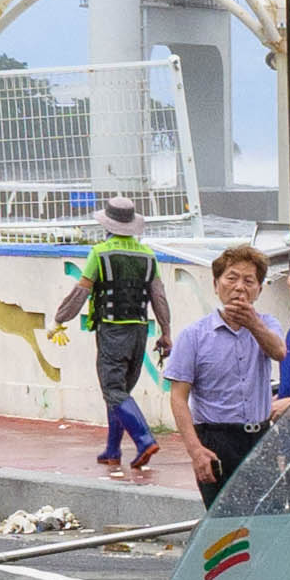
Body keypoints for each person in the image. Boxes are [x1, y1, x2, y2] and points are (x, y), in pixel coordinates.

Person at [162, 243, 290, 494]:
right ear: (216, 284)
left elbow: (279, 352)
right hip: (215, 438)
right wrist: (195, 450)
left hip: (259, 438)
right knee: (223, 527)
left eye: (249, 281)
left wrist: (252, 324)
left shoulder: (267, 325)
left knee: (265, 521)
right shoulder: (193, 336)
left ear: (259, 290)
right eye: (231, 278)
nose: (239, 287)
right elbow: (178, 398)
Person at [71, 203, 170, 476]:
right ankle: (112, 450)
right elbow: (158, 297)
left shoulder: (100, 253)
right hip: (140, 331)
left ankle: (144, 440)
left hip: (112, 331)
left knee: (113, 390)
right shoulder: (148, 256)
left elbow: (81, 291)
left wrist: (60, 318)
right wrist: (166, 331)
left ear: (107, 225)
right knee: (120, 392)